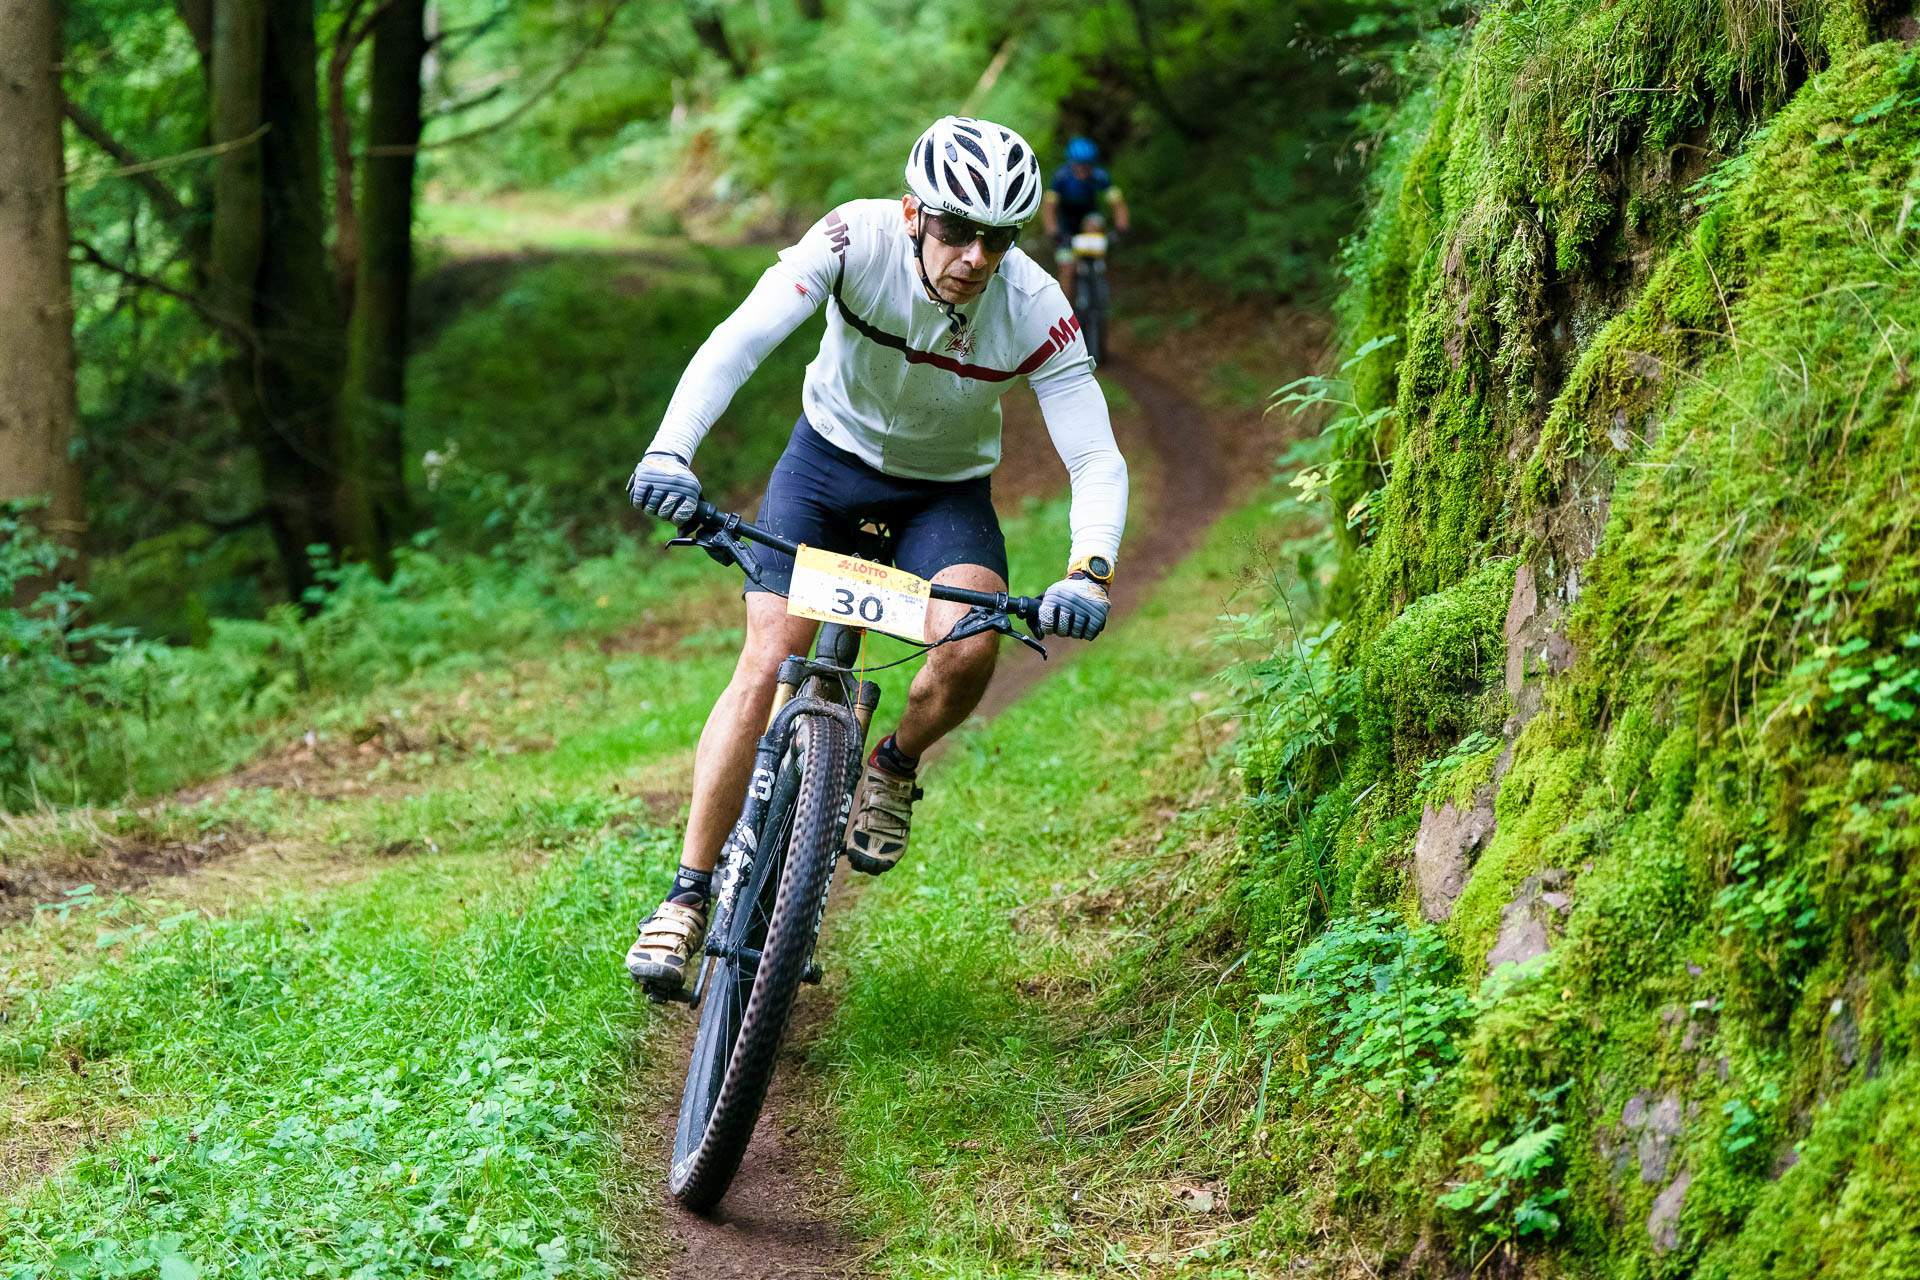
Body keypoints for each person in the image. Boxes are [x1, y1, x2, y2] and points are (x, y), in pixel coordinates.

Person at [623, 116, 1129, 995]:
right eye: (957, 230)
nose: (975, 256)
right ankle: (686, 897)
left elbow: (1093, 454)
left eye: (998, 238)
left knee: (970, 645)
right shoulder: (852, 238)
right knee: (770, 656)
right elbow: (741, 338)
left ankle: (892, 766)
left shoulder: (1036, 304)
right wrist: (671, 450)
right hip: (824, 468)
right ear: (912, 213)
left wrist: (1090, 568)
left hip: (943, 495)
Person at [1040, 136, 1131, 297]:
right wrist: (1052, 230)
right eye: (1079, 166)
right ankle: (1066, 307)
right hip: (1066, 222)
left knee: (1093, 225)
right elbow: (1049, 208)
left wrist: (1122, 225)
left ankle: (1096, 269)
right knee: (1067, 270)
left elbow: (1117, 203)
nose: (1083, 170)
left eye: (1087, 166)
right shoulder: (1061, 177)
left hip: (1089, 217)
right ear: (1071, 164)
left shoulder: (1100, 176)